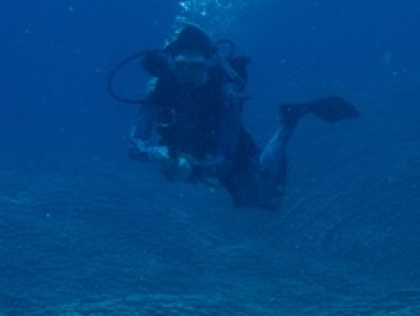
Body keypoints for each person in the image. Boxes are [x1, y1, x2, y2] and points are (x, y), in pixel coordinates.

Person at [118, 23, 357, 210]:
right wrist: (155, 154)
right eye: (181, 66)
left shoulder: (225, 95)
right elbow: (134, 144)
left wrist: (194, 171)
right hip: (186, 154)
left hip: (221, 151)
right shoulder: (157, 91)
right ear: (170, 63)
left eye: (195, 66)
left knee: (268, 198)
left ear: (208, 64)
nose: (187, 74)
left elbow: (226, 156)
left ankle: (289, 121)